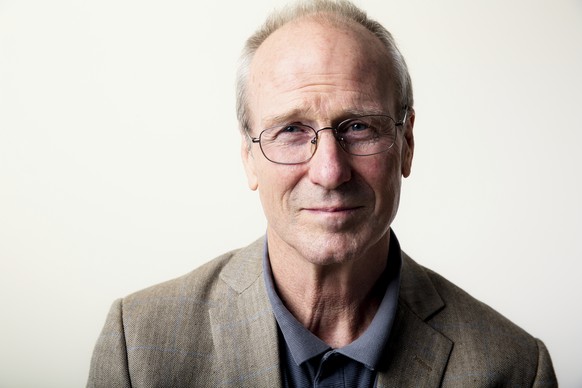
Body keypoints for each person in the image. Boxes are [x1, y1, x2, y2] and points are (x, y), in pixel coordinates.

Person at [87, 0, 557, 386]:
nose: (330, 171)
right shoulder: (140, 347)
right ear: (248, 157)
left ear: (407, 144)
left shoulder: (513, 368)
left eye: (358, 127)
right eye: (291, 130)